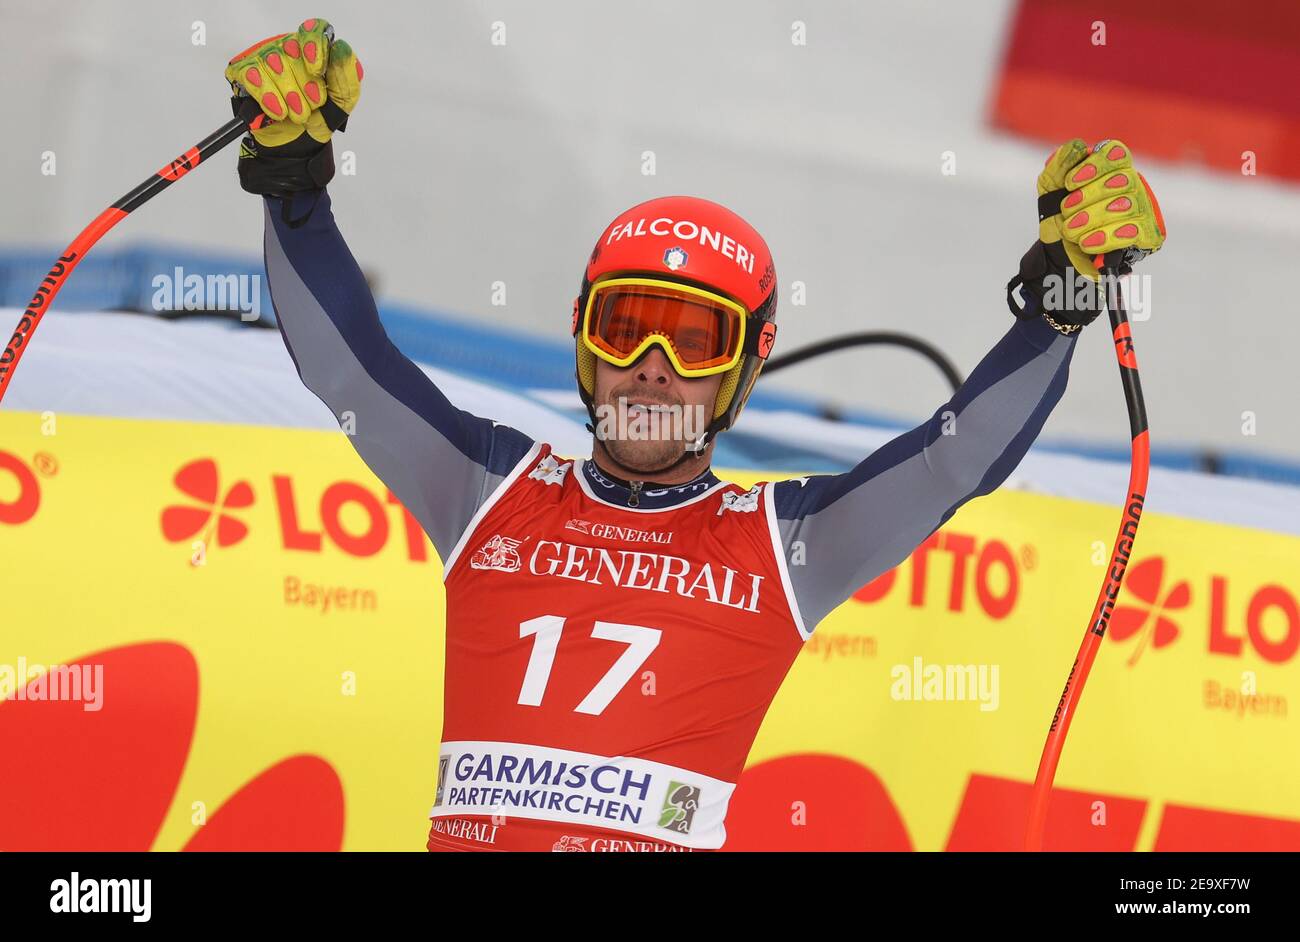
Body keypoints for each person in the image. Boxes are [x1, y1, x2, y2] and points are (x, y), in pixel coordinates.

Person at [224, 21, 1166, 852]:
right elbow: (349, 369)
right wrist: (292, 187)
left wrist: (1059, 302)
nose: (654, 364)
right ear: (583, 342)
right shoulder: (484, 490)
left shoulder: (788, 546)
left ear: (745, 368)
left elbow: (953, 459)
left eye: (695, 338)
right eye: (626, 325)